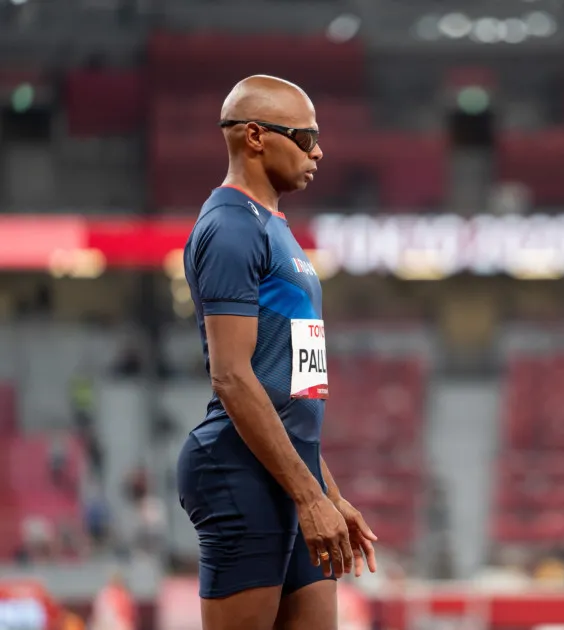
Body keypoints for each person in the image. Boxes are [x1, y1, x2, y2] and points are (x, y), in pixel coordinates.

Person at [177, 75, 378, 630]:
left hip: (288, 473)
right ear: (255, 136)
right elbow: (233, 377)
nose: (319, 151)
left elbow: (290, 391)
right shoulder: (232, 228)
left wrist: (326, 492)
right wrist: (309, 497)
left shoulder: (274, 228)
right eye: (305, 136)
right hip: (240, 471)